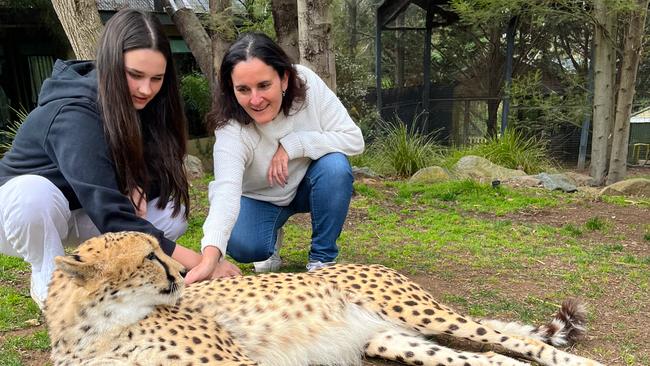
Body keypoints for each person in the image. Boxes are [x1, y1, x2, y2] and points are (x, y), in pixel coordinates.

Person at [0, 8, 231, 309]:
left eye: (156, 78)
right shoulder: (73, 112)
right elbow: (111, 213)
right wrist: (201, 264)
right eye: (134, 75)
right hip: (21, 216)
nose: (145, 89)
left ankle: (127, 280)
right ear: (109, 63)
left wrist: (135, 182)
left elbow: (155, 185)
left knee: (170, 210)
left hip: (81, 212)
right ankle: (49, 281)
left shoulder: (149, 106)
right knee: (35, 194)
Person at [194, 32, 364, 278]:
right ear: (232, 90)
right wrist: (210, 259)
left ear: (284, 79)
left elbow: (353, 139)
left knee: (335, 166)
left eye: (264, 85)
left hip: (307, 184)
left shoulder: (308, 84)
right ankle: (269, 240)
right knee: (243, 246)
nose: (256, 100)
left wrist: (293, 145)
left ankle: (322, 261)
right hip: (259, 197)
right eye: (243, 89)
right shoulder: (231, 129)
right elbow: (225, 192)